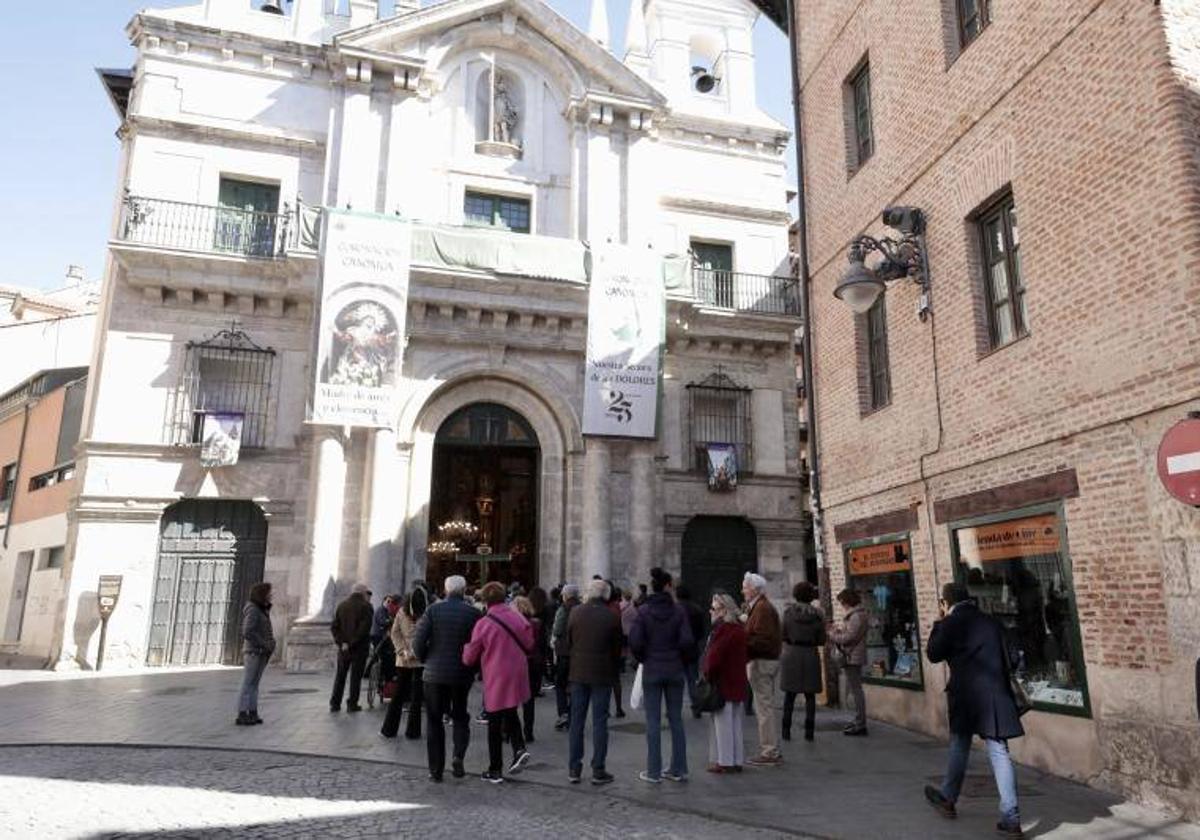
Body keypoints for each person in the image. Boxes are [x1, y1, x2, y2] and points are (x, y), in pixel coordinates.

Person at [925, 582, 1025, 838]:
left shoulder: (949, 624)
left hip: (965, 695)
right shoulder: (992, 622)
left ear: (946, 603)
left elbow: (933, 654)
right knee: (999, 751)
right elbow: (1013, 658)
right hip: (995, 693)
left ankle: (948, 797)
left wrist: (939, 623)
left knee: (960, 745)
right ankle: (1011, 818)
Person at [463, 582, 535, 784]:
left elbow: (470, 656)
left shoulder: (484, 623)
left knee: (494, 721)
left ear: (485, 601)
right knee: (510, 709)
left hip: (497, 672)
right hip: (518, 670)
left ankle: (495, 769)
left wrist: (465, 651)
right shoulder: (517, 616)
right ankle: (519, 748)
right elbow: (529, 643)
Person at [629, 567, 694, 783]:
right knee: (676, 719)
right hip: (675, 669)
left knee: (653, 721)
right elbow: (687, 641)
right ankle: (679, 769)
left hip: (653, 669)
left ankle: (654, 771)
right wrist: (679, 658)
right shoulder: (678, 611)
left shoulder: (644, 611)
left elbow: (635, 641)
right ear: (668, 587)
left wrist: (644, 657)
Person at [413, 575, 480, 782]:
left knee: (434, 720)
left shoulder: (433, 610)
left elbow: (418, 641)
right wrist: (473, 667)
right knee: (460, 715)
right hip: (461, 673)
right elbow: (478, 644)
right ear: (465, 590)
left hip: (434, 673)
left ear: (445, 589)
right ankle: (458, 755)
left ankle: (436, 770)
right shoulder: (474, 614)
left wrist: (426, 659)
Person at [566, 578, 623, 785]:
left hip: (579, 673)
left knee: (576, 722)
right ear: (606, 595)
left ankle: (574, 768)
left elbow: (569, 641)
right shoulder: (612, 616)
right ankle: (598, 769)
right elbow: (617, 650)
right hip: (602, 674)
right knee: (600, 722)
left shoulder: (575, 612)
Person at [703, 592, 748, 773]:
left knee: (722, 724)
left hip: (723, 681)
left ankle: (725, 761)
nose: (710, 612)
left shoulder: (723, 630)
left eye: (713, 608)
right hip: (737, 679)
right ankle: (737, 759)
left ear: (722, 610)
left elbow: (714, 658)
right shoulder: (739, 630)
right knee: (735, 722)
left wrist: (707, 672)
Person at [742, 572, 783, 765]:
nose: (743, 590)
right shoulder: (758, 607)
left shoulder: (763, 609)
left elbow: (763, 639)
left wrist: (743, 641)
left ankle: (769, 751)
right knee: (763, 707)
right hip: (761, 660)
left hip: (763, 661)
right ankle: (769, 749)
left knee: (764, 708)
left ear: (755, 589)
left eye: (746, 587)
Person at [381, 587, 428, 740]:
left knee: (416, 696)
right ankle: (389, 729)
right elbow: (395, 633)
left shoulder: (428, 613)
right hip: (404, 659)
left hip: (420, 659)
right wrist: (402, 650)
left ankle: (413, 731)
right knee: (399, 694)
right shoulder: (402, 612)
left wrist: (418, 651)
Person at [780, 581, 825, 742]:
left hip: (791, 653)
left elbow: (783, 634)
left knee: (789, 695)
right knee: (810, 695)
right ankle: (809, 731)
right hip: (810, 653)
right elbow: (822, 639)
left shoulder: (788, 613)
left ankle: (786, 731)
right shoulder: (818, 615)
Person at [829, 588, 869, 736]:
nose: (842, 606)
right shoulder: (858, 615)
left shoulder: (855, 616)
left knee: (856, 690)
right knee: (855, 689)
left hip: (852, 656)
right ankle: (859, 720)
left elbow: (849, 638)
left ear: (847, 602)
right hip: (854, 654)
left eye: (842, 603)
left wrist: (832, 635)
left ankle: (860, 722)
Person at [330, 583, 374, 713]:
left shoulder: (342, 605)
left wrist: (342, 642)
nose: (367, 595)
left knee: (340, 676)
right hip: (359, 648)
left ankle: (335, 703)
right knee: (356, 677)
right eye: (367, 592)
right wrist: (351, 643)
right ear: (362, 593)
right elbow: (364, 629)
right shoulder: (366, 607)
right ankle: (352, 704)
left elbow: (334, 627)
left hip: (344, 649)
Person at [236, 581, 275, 726]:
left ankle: (252, 711)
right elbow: (247, 631)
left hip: (260, 651)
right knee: (248, 683)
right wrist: (264, 644)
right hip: (253, 651)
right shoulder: (253, 609)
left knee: (254, 684)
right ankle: (242, 713)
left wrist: (271, 643)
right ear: (262, 594)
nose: (271, 595)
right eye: (269, 593)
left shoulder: (261, 609)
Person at [674, 584, 708, 717]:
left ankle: (674, 707)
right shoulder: (697, 609)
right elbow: (701, 632)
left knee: (677, 681)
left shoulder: (674, 609)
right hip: (692, 648)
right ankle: (696, 706)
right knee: (692, 679)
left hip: (677, 650)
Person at [514, 595, 544, 742]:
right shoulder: (536, 623)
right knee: (529, 699)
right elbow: (541, 644)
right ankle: (529, 731)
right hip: (533, 661)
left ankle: (509, 730)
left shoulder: (513, 623)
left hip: (517, 662)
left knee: (512, 698)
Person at [551, 584, 581, 730]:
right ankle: (572, 713)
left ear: (566, 595)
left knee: (561, 685)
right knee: (575, 685)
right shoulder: (582, 609)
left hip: (564, 652)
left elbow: (557, 630)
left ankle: (563, 713)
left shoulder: (563, 609)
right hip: (579, 653)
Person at [607, 584, 627, 719]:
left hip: (608, 649)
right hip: (614, 648)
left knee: (609, 680)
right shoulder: (616, 607)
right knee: (614, 680)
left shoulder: (610, 608)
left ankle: (612, 708)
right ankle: (618, 708)